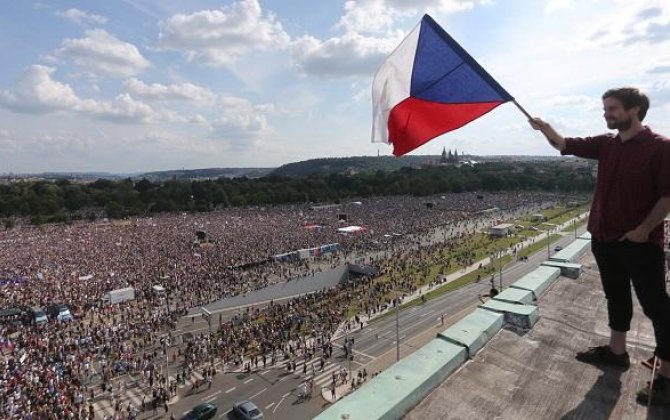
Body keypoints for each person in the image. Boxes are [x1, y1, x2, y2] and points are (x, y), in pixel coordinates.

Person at [529, 87, 670, 405]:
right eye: (605, 108)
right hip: (604, 237)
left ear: (635, 110)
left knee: (657, 307)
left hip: (640, 242)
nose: (606, 113)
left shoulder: (660, 147)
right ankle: (617, 352)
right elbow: (565, 145)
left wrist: (644, 229)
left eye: (613, 108)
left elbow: (667, 196)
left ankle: (666, 377)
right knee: (616, 297)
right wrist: (544, 128)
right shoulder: (607, 144)